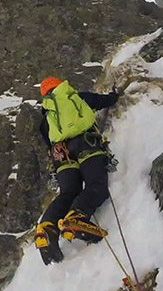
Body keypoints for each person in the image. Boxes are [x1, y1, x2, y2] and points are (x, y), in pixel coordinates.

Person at [33, 76, 121, 265]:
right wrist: (114, 96)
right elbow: (103, 101)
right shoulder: (77, 97)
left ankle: (47, 228)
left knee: (68, 192)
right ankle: (77, 216)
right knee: (95, 185)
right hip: (87, 144)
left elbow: (49, 143)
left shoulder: (47, 117)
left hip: (61, 155)